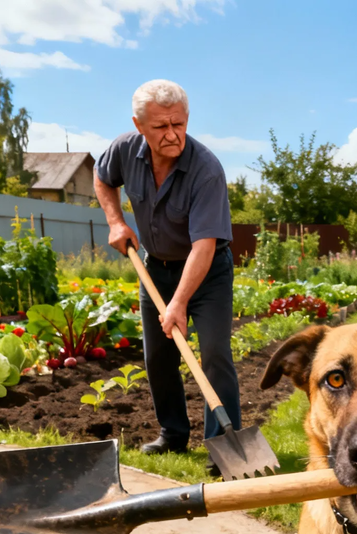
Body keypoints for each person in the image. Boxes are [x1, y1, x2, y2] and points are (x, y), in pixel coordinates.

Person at [94, 79, 240, 461]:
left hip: (207, 272)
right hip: (154, 267)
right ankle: (173, 434)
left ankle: (225, 448)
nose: (172, 134)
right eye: (161, 127)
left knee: (214, 354)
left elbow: (203, 246)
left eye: (179, 124)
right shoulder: (125, 150)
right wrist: (116, 221)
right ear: (140, 125)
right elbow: (102, 178)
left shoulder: (205, 170)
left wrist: (178, 303)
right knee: (158, 357)